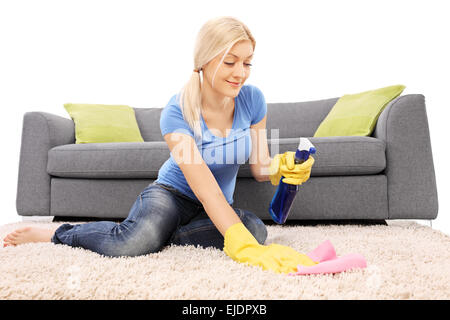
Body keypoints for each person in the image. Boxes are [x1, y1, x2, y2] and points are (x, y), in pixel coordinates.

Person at [3, 16, 315, 274]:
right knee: (133, 242)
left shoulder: (253, 100)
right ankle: (59, 233)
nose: (240, 73)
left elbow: (260, 166)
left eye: (247, 63)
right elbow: (204, 188)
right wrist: (237, 239)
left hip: (217, 203)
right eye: (230, 62)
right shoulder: (177, 111)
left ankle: (160, 234)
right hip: (172, 195)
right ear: (204, 62)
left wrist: (280, 167)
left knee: (256, 231)